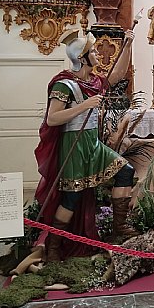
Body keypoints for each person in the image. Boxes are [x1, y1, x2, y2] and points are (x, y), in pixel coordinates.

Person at [34, 28, 138, 262]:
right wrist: (85, 105)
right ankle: (53, 245)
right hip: (74, 145)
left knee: (126, 172)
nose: (98, 54)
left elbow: (117, 75)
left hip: (92, 143)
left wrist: (128, 44)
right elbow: (52, 118)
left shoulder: (94, 81)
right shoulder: (65, 85)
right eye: (92, 51)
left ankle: (118, 228)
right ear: (82, 58)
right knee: (72, 197)